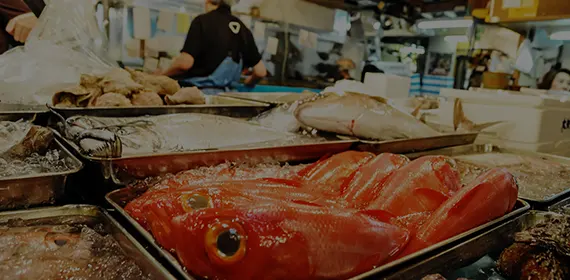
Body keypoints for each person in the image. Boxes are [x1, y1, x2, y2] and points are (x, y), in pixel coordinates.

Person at [155, 0, 267, 95]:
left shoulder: (202, 21)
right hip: (229, 97)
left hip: (198, 96)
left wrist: (162, 76)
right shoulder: (243, 29)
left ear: (207, 2)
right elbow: (261, 71)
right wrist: (249, 83)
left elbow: (184, 63)